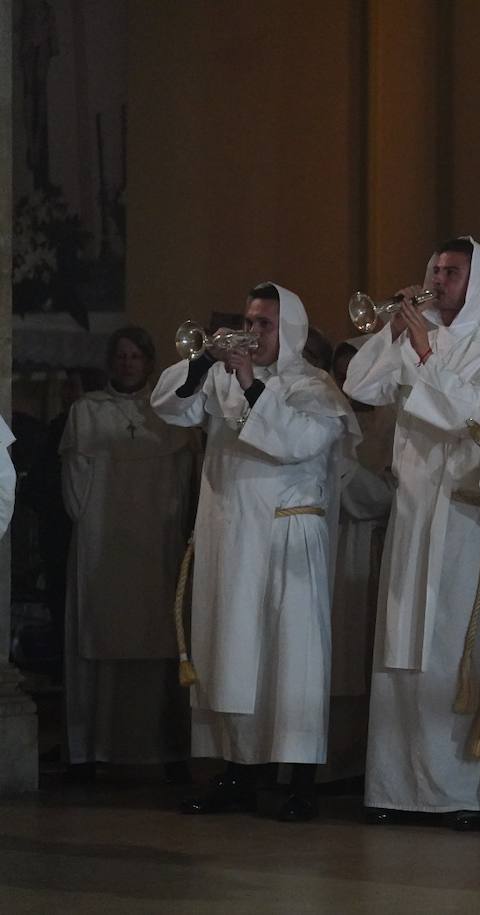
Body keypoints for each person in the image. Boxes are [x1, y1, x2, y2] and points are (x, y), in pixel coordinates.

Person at [151, 283, 359, 822]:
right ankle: (238, 770)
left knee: (293, 659)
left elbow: (296, 443)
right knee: (232, 655)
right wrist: (203, 361)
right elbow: (168, 409)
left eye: (265, 323)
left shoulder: (315, 387)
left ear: (288, 329)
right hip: (231, 535)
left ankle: (300, 778)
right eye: (248, 320)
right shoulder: (220, 378)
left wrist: (248, 382)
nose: (252, 332)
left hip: (289, 536)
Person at [344, 237, 480, 828]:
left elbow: (477, 415)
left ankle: (455, 791)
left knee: (452, 645)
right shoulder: (416, 332)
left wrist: (425, 354)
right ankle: (396, 787)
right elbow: (360, 385)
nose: (440, 279)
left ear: (478, 283)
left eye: (453, 272)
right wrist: (397, 332)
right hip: (414, 508)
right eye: (435, 270)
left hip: (463, 513)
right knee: (401, 643)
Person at [61, 327, 198, 779]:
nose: (126, 364)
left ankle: (160, 748)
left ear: (148, 361)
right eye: (120, 356)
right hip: (103, 543)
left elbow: (184, 483)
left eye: (135, 356)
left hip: (156, 544)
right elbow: (75, 488)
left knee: (156, 632)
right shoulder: (87, 411)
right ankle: (95, 748)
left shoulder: (169, 413)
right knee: (101, 631)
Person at [319, 339, 397, 783]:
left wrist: (346, 475)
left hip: (373, 544)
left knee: (365, 653)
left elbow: (390, 492)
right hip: (331, 544)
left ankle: (364, 763)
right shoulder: (329, 416)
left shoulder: (392, 420)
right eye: (343, 373)